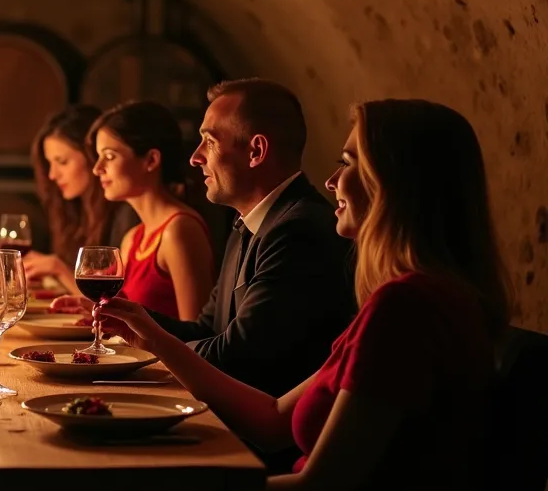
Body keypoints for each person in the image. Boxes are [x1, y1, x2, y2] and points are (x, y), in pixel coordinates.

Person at [100, 99, 508, 491]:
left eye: (347, 164)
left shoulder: (406, 307)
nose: (331, 181)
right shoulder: (413, 298)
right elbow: (274, 420)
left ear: (397, 183)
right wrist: (152, 337)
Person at [139, 78, 356, 399]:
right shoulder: (250, 221)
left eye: (209, 142)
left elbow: (236, 358)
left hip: (264, 443)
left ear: (256, 151)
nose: (195, 158)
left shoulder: (298, 231)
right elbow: (207, 330)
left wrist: (148, 341)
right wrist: (130, 319)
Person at [88, 100, 213, 320]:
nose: (97, 169)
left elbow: (195, 335)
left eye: (109, 156)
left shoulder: (180, 230)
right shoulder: (133, 238)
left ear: (151, 160)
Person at [23, 105, 138, 293]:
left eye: (62, 162)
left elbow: (115, 301)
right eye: (49, 163)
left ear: (92, 156)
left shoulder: (126, 213)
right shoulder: (74, 210)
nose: (52, 175)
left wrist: (58, 268)